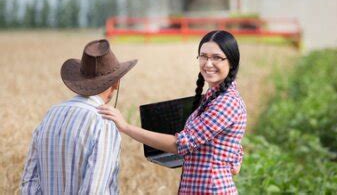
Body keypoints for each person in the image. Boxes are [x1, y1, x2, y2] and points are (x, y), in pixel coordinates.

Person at [99, 30, 247, 194]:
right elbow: (234, 167)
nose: (208, 63)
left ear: (232, 62)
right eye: (203, 56)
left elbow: (180, 144)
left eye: (216, 57)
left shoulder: (226, 102)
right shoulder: (213, 98)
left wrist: (125, 127)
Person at [20, 39, 137, 194]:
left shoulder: (50, 114)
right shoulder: (104, 123)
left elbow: (28, 182)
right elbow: (94, 191)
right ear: (116, 83)